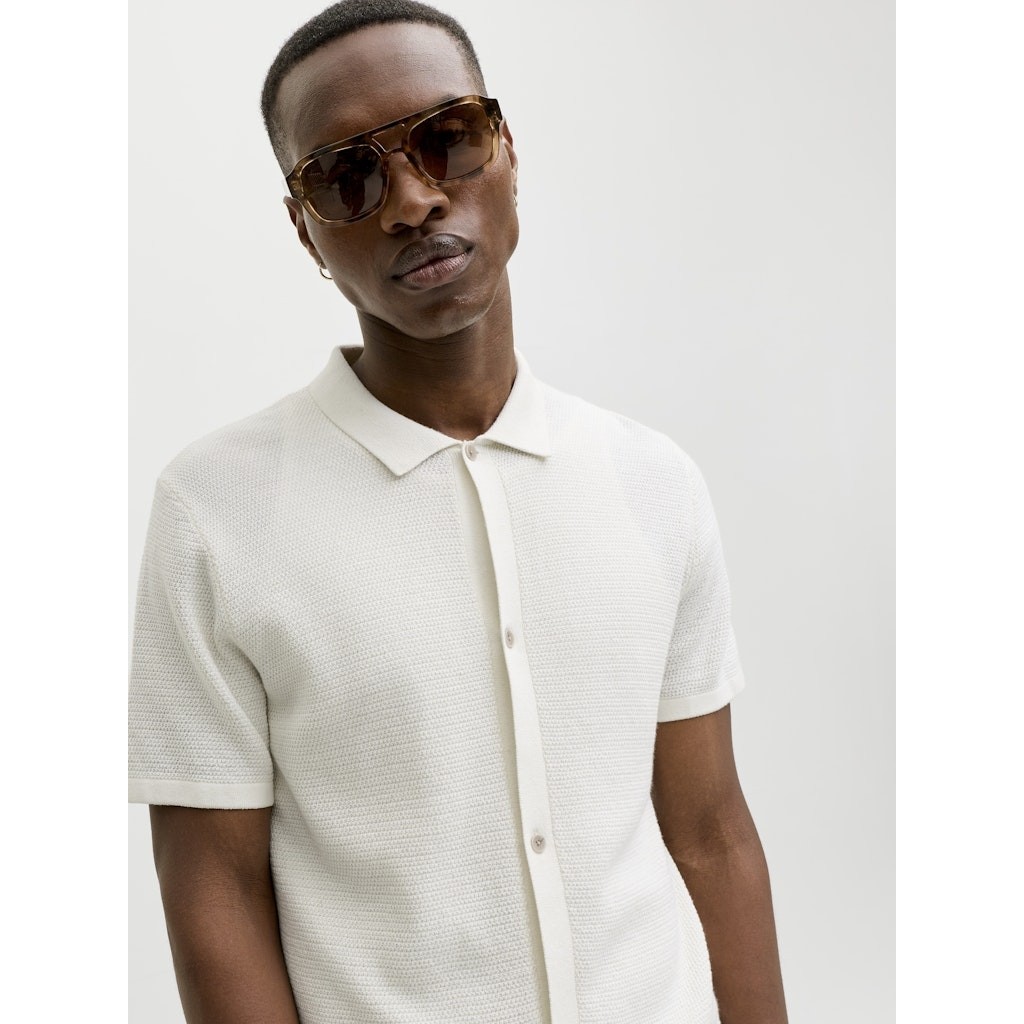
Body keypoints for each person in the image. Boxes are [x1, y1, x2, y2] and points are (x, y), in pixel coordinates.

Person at [127, 2, 788, 1022]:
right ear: (305, 228)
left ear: (507, 150)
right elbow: (216, 888)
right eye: (348, 177)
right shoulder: (216, 512)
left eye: (447, 139)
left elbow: (710, 834)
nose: (412, 200)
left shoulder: (652, 482)